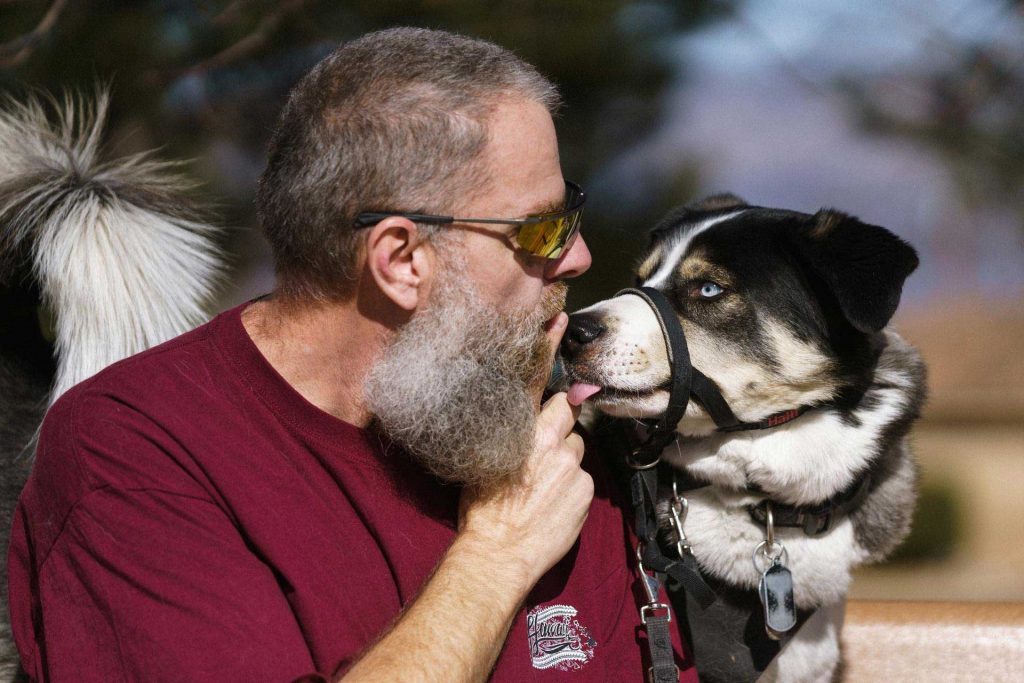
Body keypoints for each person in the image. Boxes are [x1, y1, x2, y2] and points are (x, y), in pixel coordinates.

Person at [8, 28, 697, 682]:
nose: (579, 255)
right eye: (544, 229)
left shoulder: (553, 441)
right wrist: (497, 555)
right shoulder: (135, 454)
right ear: (401, 260)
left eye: (572, 214)